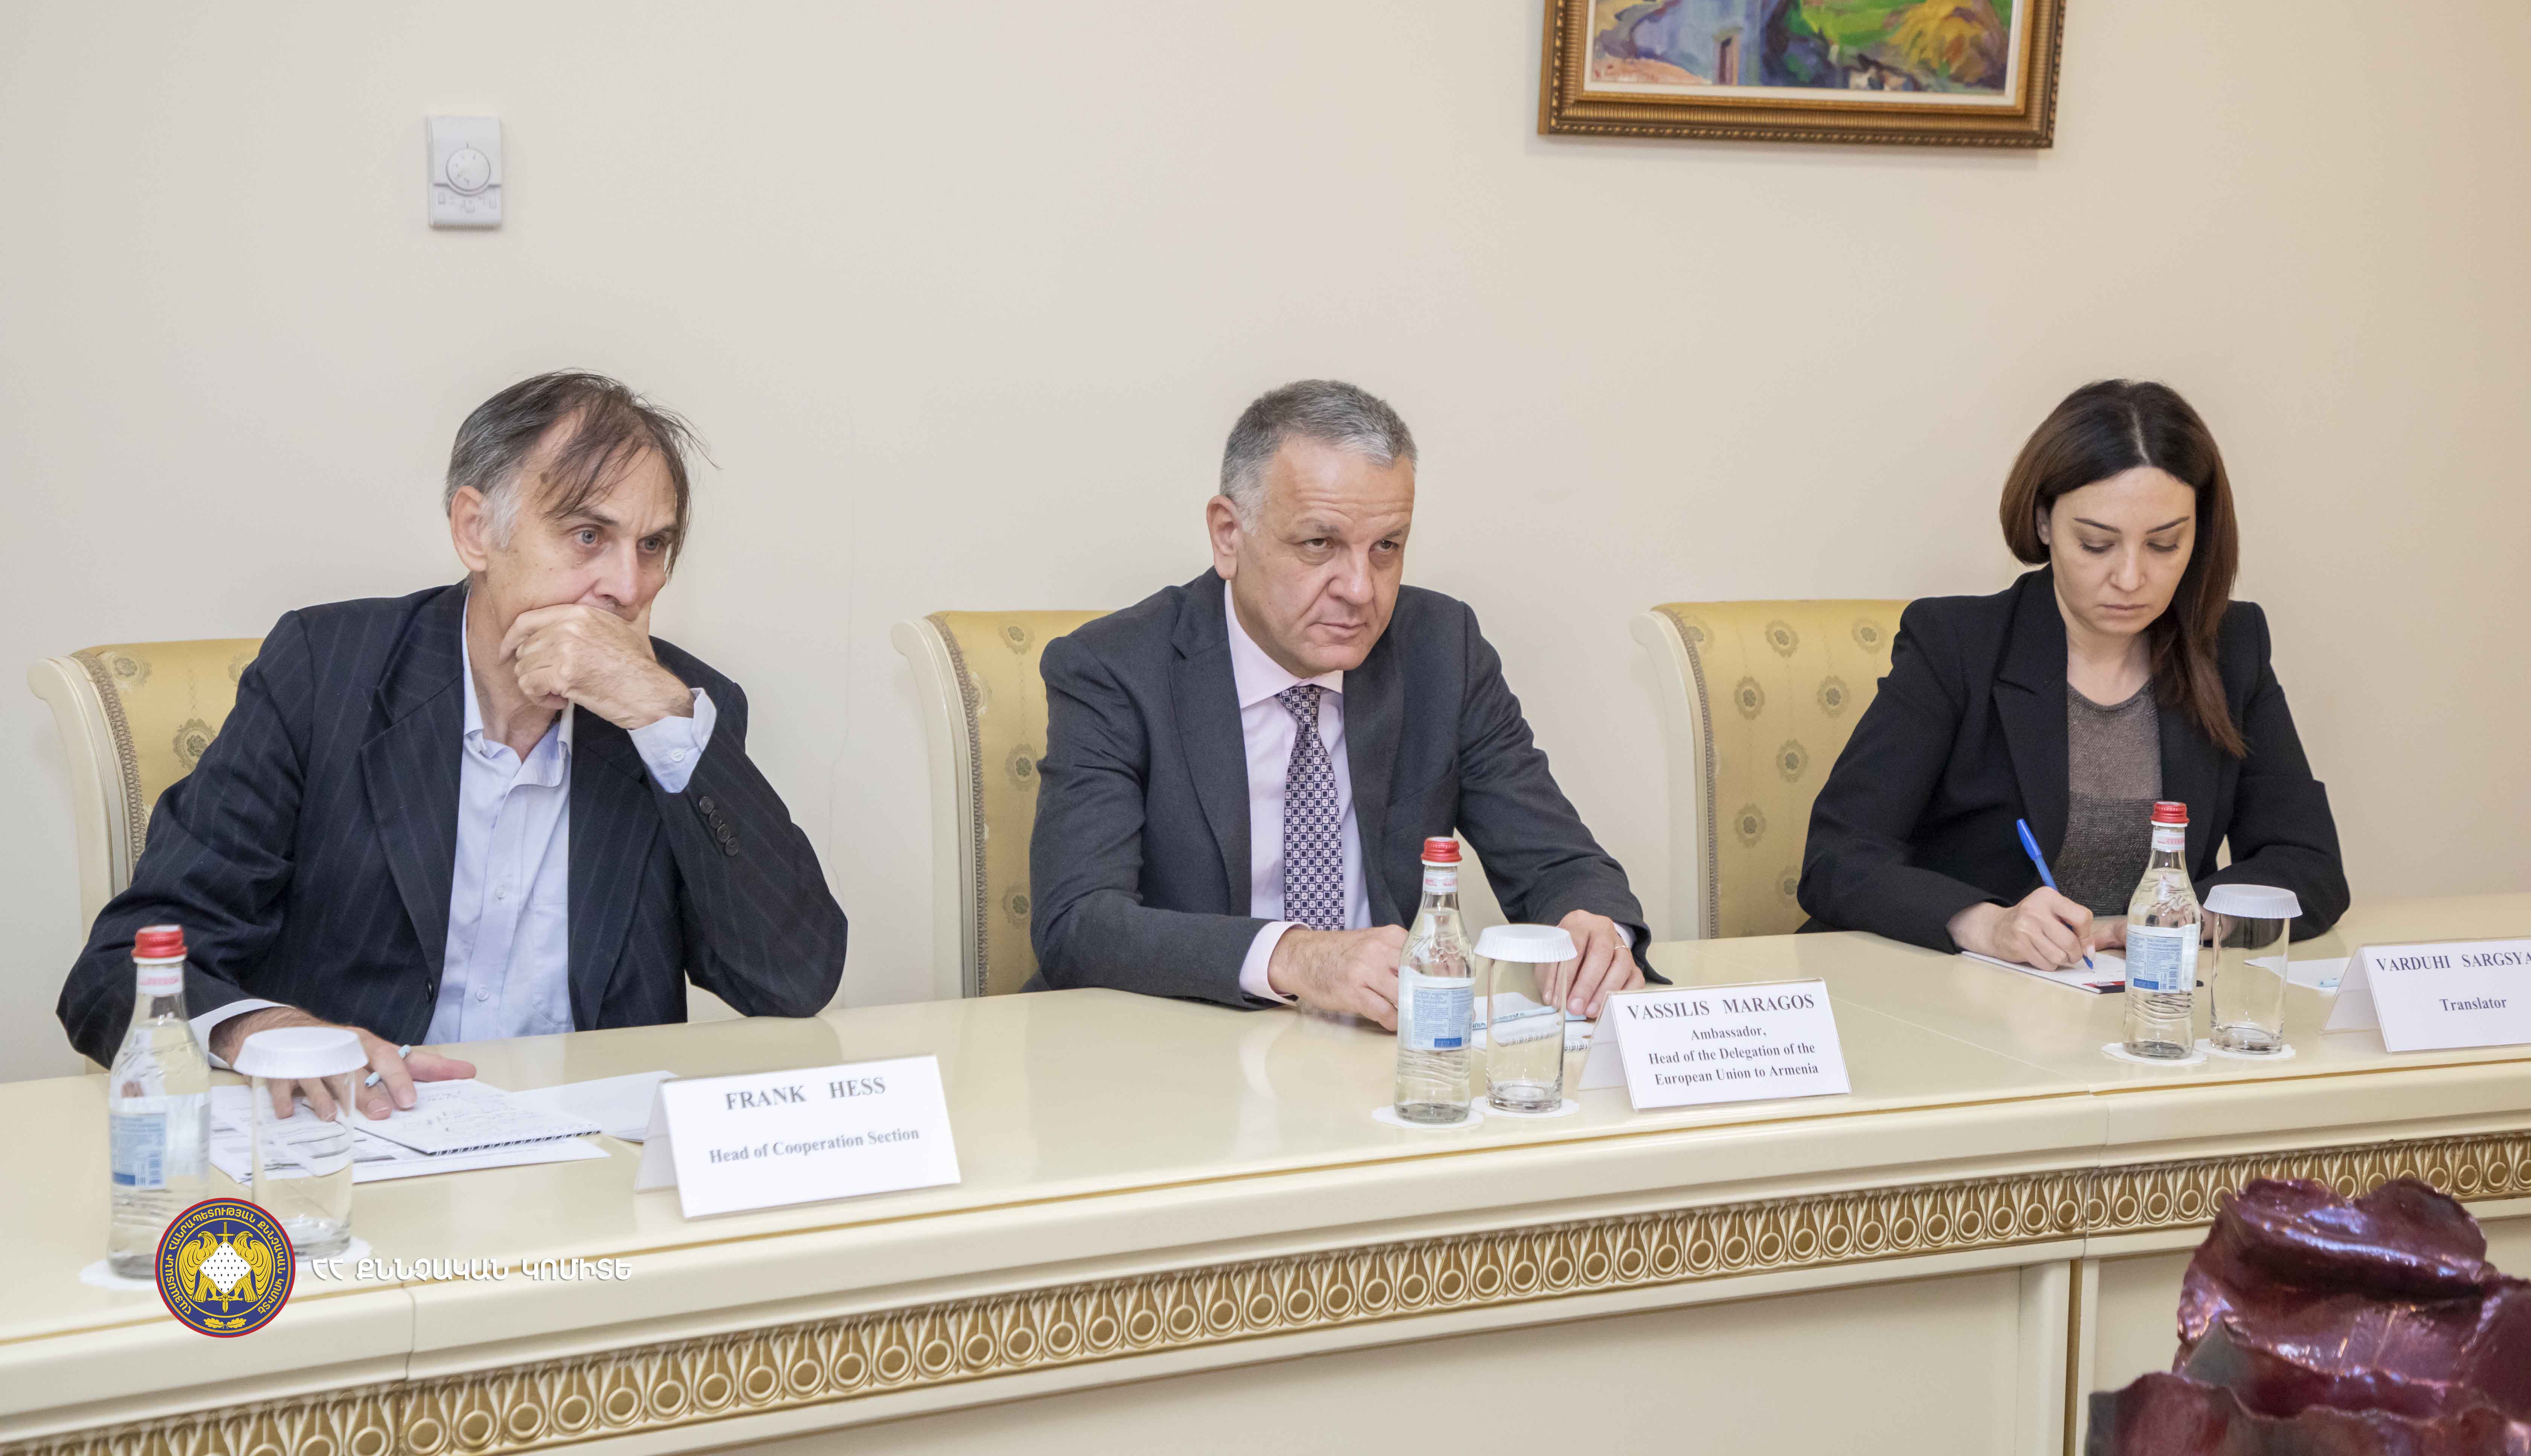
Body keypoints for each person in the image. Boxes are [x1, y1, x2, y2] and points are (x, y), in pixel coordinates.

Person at [57, 371, 847, 1111]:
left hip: (590, 1158)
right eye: (587, 535)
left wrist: (664, 721)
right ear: (476, 531)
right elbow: (118, 968)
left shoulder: (676, 710)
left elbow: (791, 980)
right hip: (359, 1138)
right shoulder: (324, 674)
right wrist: (263, 1031)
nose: (629, 587)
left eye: (652, 546)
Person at [1029, 379, 1656, 1026]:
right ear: (1229, 534)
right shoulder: (1115, 669)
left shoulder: (1442, 650)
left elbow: (1557, 862)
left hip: (1379, 1054)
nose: (1360, 590)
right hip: (1175, 1047)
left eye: (1387, 547)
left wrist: (1594, 931)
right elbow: (1078, 923)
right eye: (1319, 544)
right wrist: (1296, 957)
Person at [1798, 379, 2348, 967]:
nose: (2130, 578)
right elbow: (1838, 858)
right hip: (1962, 992)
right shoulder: (1956, 644)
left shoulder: (2231, 647)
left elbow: (2309, 865)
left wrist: (2193, 917)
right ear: (2044, 523)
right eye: (2096, 544)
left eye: (2164, 545)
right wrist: (1987, 924)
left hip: (2139, 998)